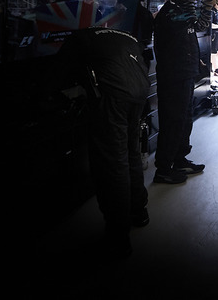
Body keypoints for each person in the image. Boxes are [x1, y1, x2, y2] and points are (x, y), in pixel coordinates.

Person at [56, 26, 151, 257]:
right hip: (139, 90)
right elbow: (144, 57)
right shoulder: (124, 34)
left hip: (114, 97)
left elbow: (58, 75)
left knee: (112, 162)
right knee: (131, 151)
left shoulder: (78, 38)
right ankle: (139, 212)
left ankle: (118, 236)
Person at [153, 0, 215, 184]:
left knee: (185, 118)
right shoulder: (172, 12)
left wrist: (196, 60)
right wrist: (207, 8)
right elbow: (198, 26)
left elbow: (186, 37)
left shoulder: (181, 10)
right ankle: (163, 168)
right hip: (174, 76)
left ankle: (179, 159)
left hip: (186, 72)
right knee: (173, 120)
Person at [113, 0, 154, 67]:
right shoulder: (143, 12)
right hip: (139, 55)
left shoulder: (133, 14)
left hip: (135, 55)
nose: (122, 3)